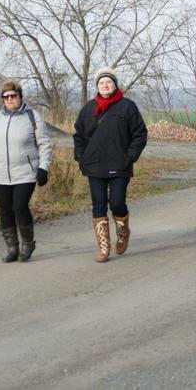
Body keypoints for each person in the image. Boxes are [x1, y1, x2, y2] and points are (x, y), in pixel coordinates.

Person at [0, 80, 53, 263]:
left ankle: (28, 244)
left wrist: (43, 168)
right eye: (5, 96)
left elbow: (45, 143)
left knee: (19, 207)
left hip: (26, 172)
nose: (9, 99)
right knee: (5, 210)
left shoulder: (32, 116)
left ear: (20, 96)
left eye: (13, 95)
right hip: (1, 173)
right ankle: (12, 248)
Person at [73, 67, 148, 263]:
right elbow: (79, 135)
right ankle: (104, 248)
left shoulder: (127, 106)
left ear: (115, 85)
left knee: (117, 203)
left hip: (119, 165)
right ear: (97, 86)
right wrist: (80, 157)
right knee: (99, 205)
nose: (105, 85)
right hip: (94, 166)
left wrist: (130, 157)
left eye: (108, 82)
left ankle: (123, 233)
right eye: (101, 82)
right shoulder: (88, 109)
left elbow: (140, 134)